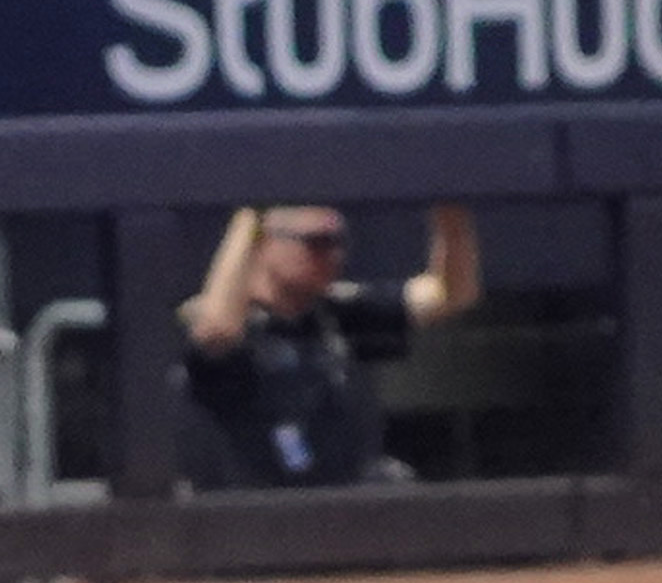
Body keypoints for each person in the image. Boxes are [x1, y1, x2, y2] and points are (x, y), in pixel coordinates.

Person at [177, 202, 478, 489]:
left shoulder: (337, 312)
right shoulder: (226, 321)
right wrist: (250, 217)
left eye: (338, 242)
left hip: (340, 506)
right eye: (317, 243)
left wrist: (450, 218)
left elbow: (451, 295)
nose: (334, 255)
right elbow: (215, 332)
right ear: (264, 244)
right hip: (250, 511)